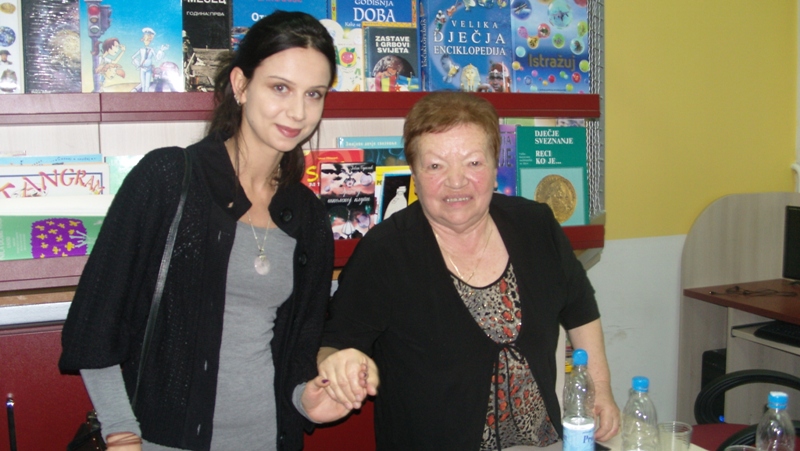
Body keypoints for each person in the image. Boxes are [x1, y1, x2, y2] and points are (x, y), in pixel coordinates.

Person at [60, 11, 359, 451]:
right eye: (280, 88)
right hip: (158, 442)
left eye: (313, 94)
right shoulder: (167, 179)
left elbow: (299, 348)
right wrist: (121, 428)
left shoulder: (308, 215)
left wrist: (307, 399)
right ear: (240, 85)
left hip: (268, 440)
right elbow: (95, 322)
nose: (298, 112)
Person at [317, 92, 620, 450]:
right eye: (435, 166)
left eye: (473, 162)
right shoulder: (384, 253)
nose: (456, 181)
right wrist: (337, 364)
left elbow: (580, 307)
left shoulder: (535, 225)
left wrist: (600, 389)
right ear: (414, 172)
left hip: (541, 443)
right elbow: (332, 345)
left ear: (494, 168)